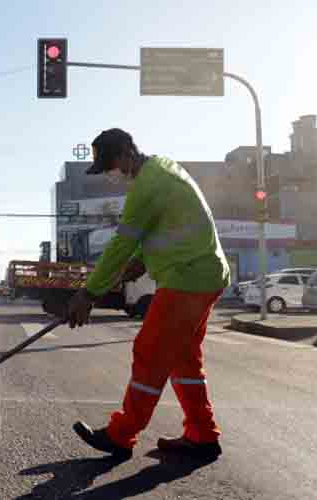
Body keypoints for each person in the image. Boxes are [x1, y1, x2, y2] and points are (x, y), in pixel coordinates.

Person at [65, 129, 230, 460]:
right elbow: (166, 226)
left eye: (110, 165)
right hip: (204, 273)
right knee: (183, 360)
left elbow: (121, 243)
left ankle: (121, 435)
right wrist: (141, 261)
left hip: (187, 277)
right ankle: (202, 435)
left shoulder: (148, 185)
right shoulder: (163, 169)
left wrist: (89, 293)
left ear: (127, 152)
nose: (110, 175)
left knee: (150, 352)